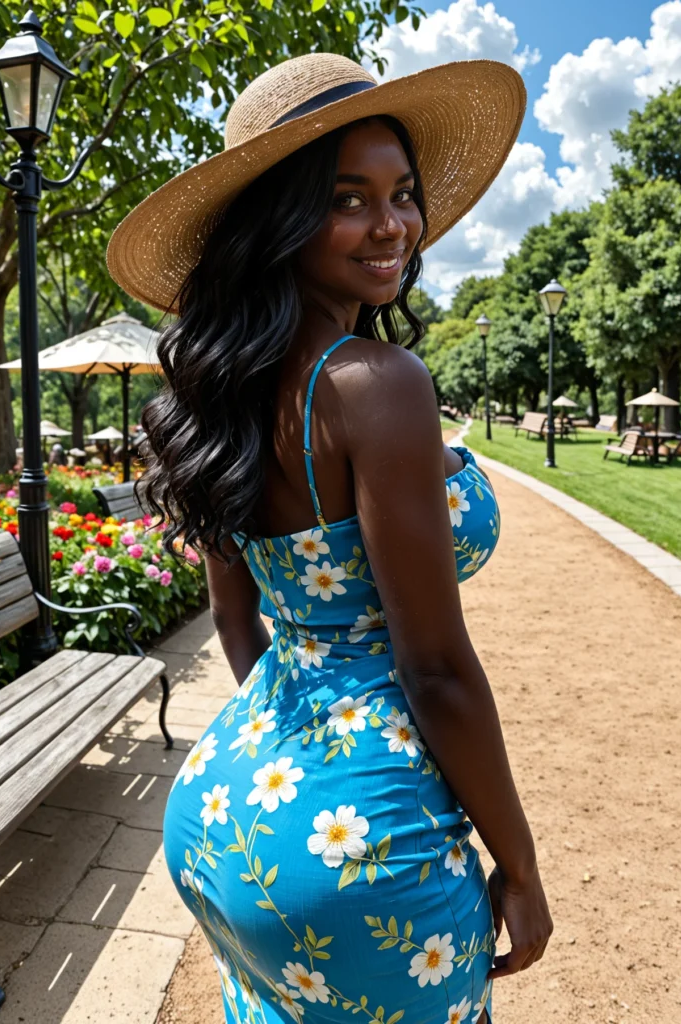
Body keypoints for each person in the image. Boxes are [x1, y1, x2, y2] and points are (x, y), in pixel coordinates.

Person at [107, 52, 551, 1024]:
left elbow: (237, 624)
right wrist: (518, 867)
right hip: (358, 850)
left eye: (402, 194)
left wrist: (289, 759)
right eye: (348, 198)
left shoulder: (220, 396)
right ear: (281, 217)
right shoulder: (375, 383)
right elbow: (433, 667)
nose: (391, 224)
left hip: (225, 814)